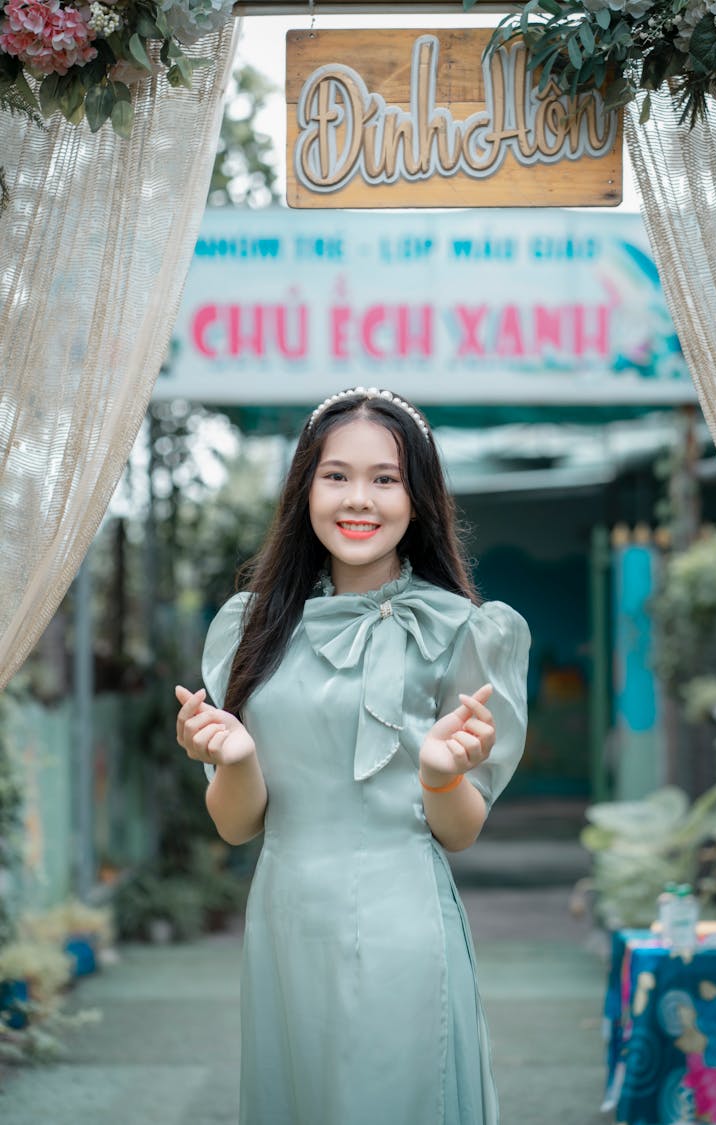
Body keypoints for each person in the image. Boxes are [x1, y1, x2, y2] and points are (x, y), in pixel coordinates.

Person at [175, 387, 530, 1125]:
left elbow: (460, 830)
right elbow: (238, 826)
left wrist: (440, 775)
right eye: (336, 475)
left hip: (403, 919)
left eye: (385, 478)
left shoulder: (466, 631)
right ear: (305, 486)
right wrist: (236, 759)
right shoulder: (252, 626)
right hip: (285, 924)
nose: (357, 499)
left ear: (419, 495)